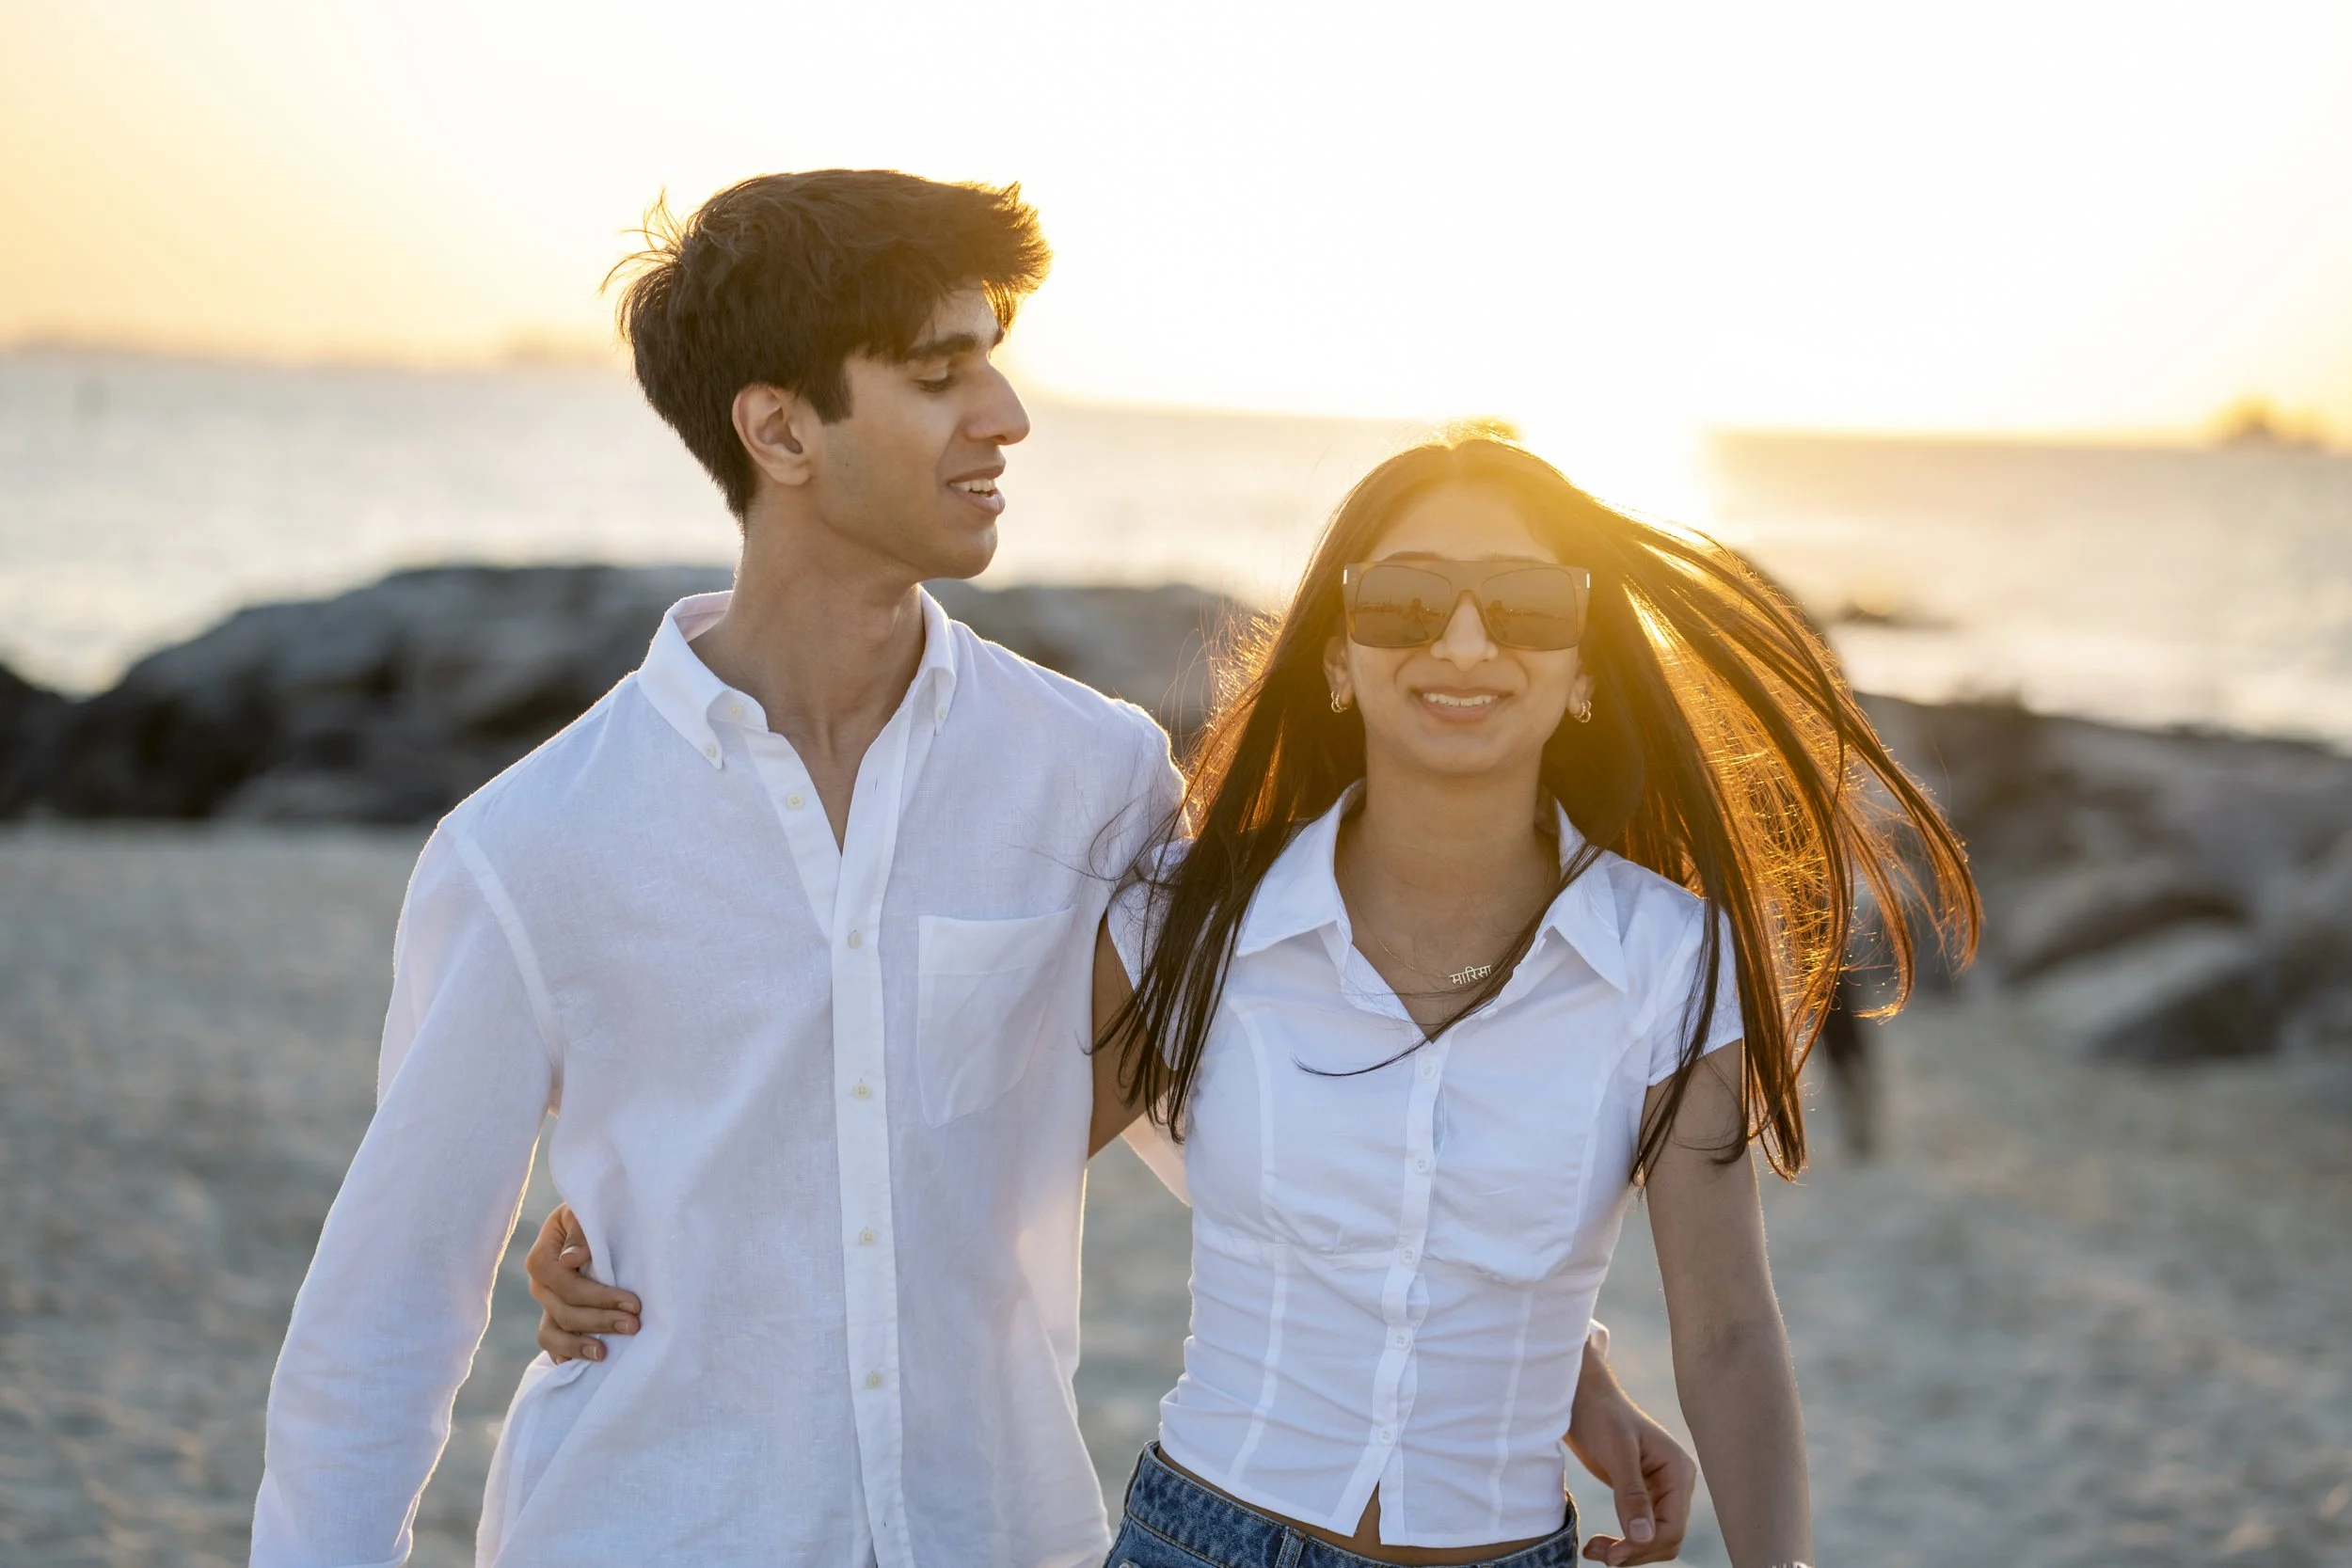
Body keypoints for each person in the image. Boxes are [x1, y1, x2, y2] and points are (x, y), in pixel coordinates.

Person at [254, 171, 1690, 1568]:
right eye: (941, 376)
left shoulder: (1094, 773)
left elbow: (1279, 1114)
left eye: (993, 365)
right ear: (781, 430)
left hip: (990, 1530)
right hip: (650, 1523)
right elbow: (385, 1312)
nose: (1003, 417)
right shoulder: (533, 845)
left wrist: (1550, 1359)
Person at [536, 434, 1980, 1564]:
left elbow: (1728, 1327)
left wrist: (1643, 1430)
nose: (1465, 644)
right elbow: (948, 1168)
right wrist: (656, 1223)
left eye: (1526, 605)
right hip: (1203, 1540)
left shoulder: (1677, 958)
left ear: (1587, 670)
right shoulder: (1187, 921)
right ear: (1342, 659)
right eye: (1408, 600)